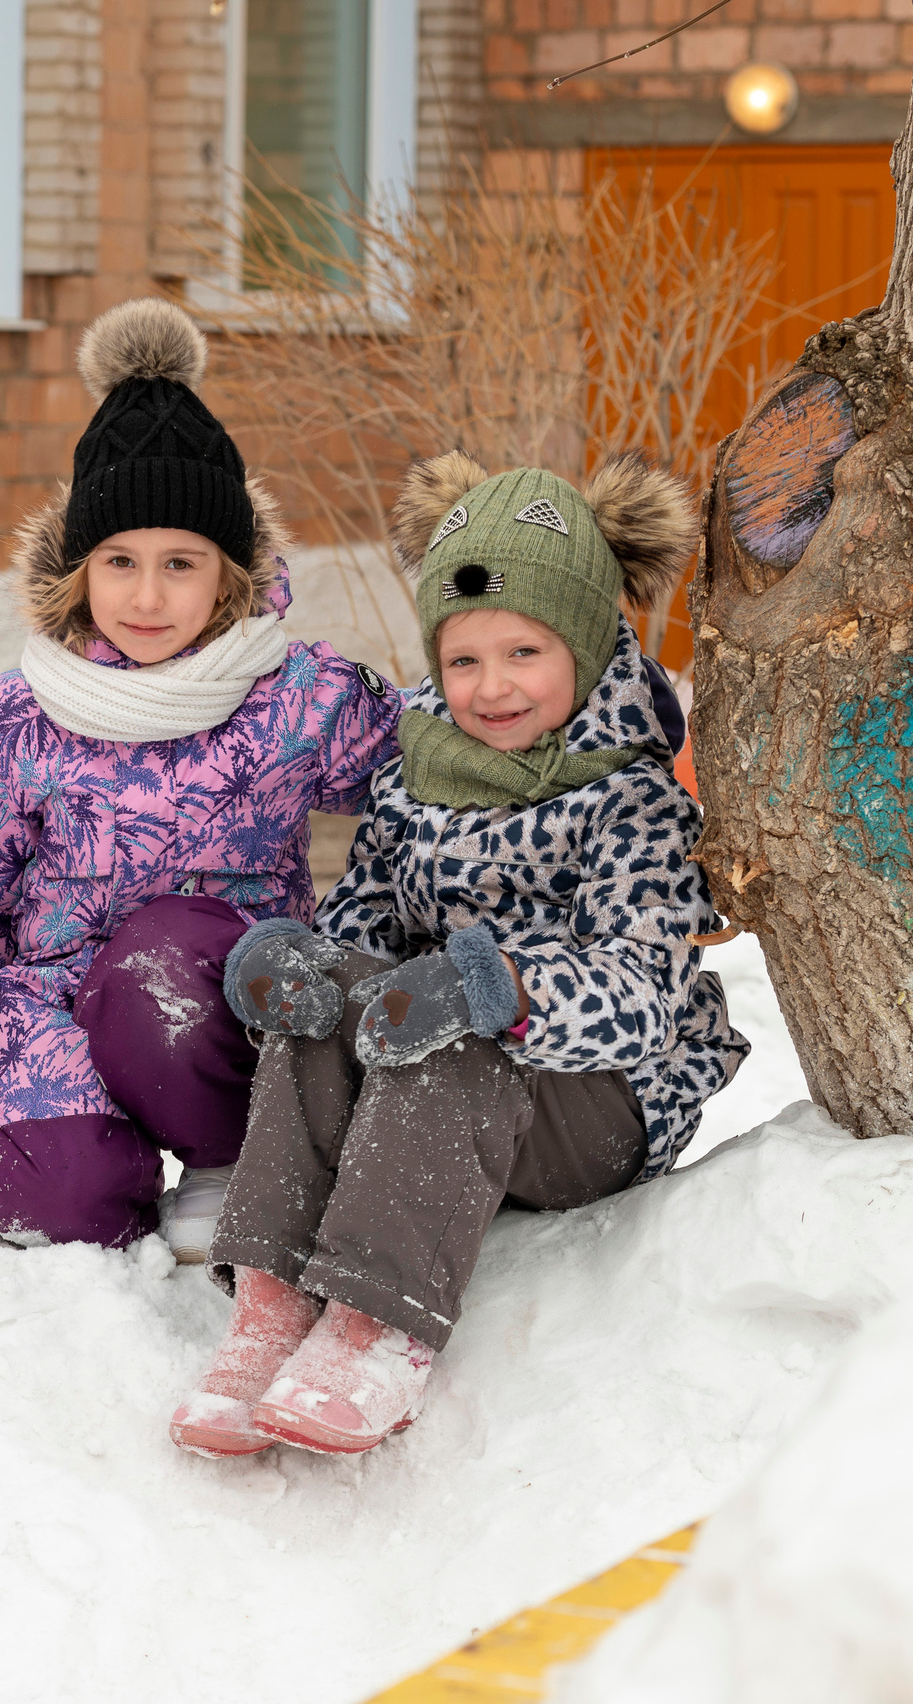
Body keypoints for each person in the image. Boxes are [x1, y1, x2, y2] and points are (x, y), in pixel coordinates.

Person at [170, 452, 750, 1461]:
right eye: (464, 659)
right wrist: (299, 963)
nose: (491, 688)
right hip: (430, 1090)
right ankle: (268, 1306)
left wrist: (494, 987)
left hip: (595, 1103)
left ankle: (375, 1325)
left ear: (583, 642)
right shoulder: (420, 772)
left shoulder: (633, 797)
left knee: (448, 1038)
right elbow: (370, 919)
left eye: (523, 652)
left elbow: (639, 994)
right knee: (332, 1005)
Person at [0, 298, 402, 1258]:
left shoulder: (294, 694)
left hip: (213, 998)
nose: (147, 596)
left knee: (153, 973)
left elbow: (420, 779)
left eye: (180, 564)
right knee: (47, 1207)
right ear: (81, 570)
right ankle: (111, 1159)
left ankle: (230, 1151)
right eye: (120, 562)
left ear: (227, 573)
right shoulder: (13, 717)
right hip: (59, 993)